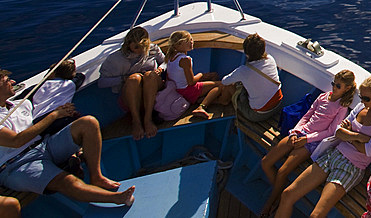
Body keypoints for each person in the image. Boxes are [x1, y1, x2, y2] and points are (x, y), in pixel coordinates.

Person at [0, 68, 134, 207]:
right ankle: (117, 198)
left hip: (43, 145)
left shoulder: (21, 104)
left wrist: (64, 111)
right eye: (6, 81)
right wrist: (54, 115)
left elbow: (42, 112)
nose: (13, 82)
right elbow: (16, 141)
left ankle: (97, 177)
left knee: (88, 123)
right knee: (66, 182)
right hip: (15, 165)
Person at [274, 70, 371, 218]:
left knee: (316, 215)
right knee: (287, 194)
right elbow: (338, 132)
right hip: (333, 154)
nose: (362, 101)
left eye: (366, 98)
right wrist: (359, 137)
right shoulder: (361, 107)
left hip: (351, 166)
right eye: (361, 97)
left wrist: (347, 135)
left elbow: (368, 150)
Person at [258, 70, 357, 218]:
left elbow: (330, 132)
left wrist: (307, 139)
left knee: (282, 171)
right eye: (333, 84)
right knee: (265, 162)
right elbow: (307, 116)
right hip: (299, 133)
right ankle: (279, 195)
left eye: (338, 86)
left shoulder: (341, 108)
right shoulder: (323, 97)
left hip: (311, 142)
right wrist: (295, 132)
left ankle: (271, 202)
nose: (334, 88)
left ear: (347, 88)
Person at [194, 34, 282, 122]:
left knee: (229, 84)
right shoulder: (270, 59)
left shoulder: (243, 71)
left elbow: (225, 81)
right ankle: (209, 102)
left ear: (246, 53)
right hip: (278, 105)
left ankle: (219, 101)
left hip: (257, 115)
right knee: (240, 83)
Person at [97, 26, 164, 140]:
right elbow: (102, 82)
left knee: (150, 75)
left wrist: (161, 68)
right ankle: (136, 121)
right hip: (132, 97)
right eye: (137, 47)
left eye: (144, 46)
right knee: (134, 79)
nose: (141, 50)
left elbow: (165, 62)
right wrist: (123, 79)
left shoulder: (153, 49)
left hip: (153, 91)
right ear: (128, 44)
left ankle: (148, 119)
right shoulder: (115, 59)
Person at [162, 31, 220, 110]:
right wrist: (201, 75)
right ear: (178, 44)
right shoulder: (185, 60)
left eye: (191, 40)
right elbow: (191, 82)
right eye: (187, 41)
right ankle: (202, 105)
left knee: (213, 75)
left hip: (178, 90)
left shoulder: (170, 57)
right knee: (221, 85)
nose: (191, 42)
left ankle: (201, 98)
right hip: (187, 91)